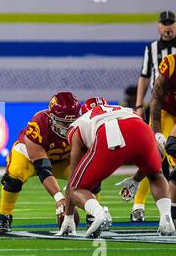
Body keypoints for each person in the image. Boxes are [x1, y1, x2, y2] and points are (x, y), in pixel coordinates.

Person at [57, 102, 175, 238]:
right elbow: (160, 154)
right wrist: (136, 180)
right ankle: (166, 218)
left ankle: (100, 214)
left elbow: (74, 178)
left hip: (111, 133)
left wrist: (69, 218)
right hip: (141, 127)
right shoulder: (124, 110)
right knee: (155, 175)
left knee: (75, 188)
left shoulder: (78, 125)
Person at [0, 92, 81, 233]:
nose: (67, 127)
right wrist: (60, 198)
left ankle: (93, 216)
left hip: (62, 161)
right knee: (14, 177)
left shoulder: (84, 125)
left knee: (90, 174)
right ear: (52, 118)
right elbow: (43, 169)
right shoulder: (39, 124)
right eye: (62, 122)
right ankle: (4, 216)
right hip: (30, 157)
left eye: (71, 122)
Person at [131, 10, 176, 222]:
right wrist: (139, 104)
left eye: (171, 23)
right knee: (156, 154)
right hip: (164, 109)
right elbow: (145, 77)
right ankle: (138, 204)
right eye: (164, 23)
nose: (168, 27)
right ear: (159, 26)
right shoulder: (152, 49)